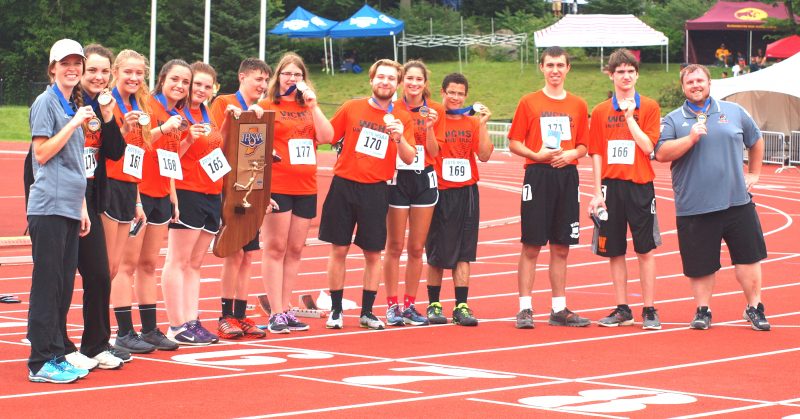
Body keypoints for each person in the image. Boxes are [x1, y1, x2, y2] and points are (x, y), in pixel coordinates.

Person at [656, 64, 770, 331]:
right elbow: (661, 153)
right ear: (683, 87)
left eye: (700, 80)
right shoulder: (673, 119)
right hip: (695, 205)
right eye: (690, 82)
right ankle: (703, 310)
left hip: (736, 202)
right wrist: (690, 138)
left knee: (748, 259)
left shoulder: (734, 112)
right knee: (700, 265)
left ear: (709, 82)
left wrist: (754, 173)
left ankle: (754, 307)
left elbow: (756, 140)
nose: (696, 85)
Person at [319, 59, 416, 330]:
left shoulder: (402, 117)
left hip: (376, 189)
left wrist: (399, 138)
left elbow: (409, 158)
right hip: (344, 185)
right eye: (380, 77)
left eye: (390, 79)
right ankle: (336, 310)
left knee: (373, 253)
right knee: (338, 248)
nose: (384, 82)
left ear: (397, 85)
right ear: (371, 80)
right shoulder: (351, 108)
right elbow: (326, 136)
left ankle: (367, 312)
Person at [507, 46, 591, 329]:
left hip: (567, 176)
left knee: (562, 246)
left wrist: (572, 154)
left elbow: (583, 144)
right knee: (531, 245)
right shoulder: (529, 102)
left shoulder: (578, 105)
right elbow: (514, 142)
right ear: (541, 68)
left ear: (568, 69)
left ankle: (558, 308)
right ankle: (525, 308)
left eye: (560, 65)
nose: (555, 70)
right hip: (538, 175)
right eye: (550, 65)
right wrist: (536, 155)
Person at [26, 39, 92, 383]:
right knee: (47, 284)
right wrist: (73, 125)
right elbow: (41, 153)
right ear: (52, 68)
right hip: (48, 206)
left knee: (64, 286)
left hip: (67, 206)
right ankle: (39, 361)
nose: (72, 68)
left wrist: (81, 207)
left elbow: (75, 163)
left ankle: (56, 351)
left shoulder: (70, 104)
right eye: (64, 63)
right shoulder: (46, 103)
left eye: (76, 63)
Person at [118, 59, 194, 348]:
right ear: (163, 79)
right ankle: (125, 332)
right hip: (140, 192)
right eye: (175, 79)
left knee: (148, 264)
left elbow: (170, 158)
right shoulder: (147, 105)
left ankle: (150, 329)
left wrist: (173, 194)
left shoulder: (177, 112)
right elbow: (138, 146)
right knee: (127, 264)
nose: (180, 85)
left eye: (185, 82)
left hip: (162, 194)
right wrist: (135, 196)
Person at [587, 49, 662, 330]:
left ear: (637, 75)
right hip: (610, 188)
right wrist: (597, 192)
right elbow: (595, 153)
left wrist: (631, 118)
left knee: (645, 250)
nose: (626, 76)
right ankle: (622, 308)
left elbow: (648, 147)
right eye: (620, 72)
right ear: (611, 75)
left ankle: (649, 309)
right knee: (615, 251)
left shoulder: (650, 107)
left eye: (630, 71)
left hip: (640, 187)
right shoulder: (600, 110)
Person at [258, 53, 333, 334]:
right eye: (288, 74)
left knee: (295, 249)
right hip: (278, 185)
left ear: (304, 79)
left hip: (306, 186)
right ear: (279, 76)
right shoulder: (267, 106)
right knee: (275, 248)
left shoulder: (308, 107)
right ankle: (275, 311)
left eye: (298, 75)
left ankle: (286, 307)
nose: (292, 79)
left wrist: (313, 106)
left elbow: (327, 137)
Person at [64, 44, 129, 369]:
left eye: (105, 71)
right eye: (93, 71)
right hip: (65, 199)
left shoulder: (105, 105)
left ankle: (96, 344)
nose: (99, 77)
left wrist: (108, 117)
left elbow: (116, 152)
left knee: (99, 274)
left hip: (92, 197)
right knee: (61, 276)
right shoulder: (69, 102)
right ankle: (59, 345)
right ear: (81, 72)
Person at [425, 73, 493, 326]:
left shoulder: (472, 123)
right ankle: (434, 304)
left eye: (460, 93)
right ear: (442, 92)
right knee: (436, 251)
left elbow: (484, 155)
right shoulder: (435, 119)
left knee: (464, 252)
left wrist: (483, 123)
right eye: (451, 92)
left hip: (466, 192)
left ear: (466, 96)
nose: (455, 97)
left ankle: (461, 306)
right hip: (439, 192)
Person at [209, 57, 271, 336]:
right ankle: (225, 315)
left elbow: (261, 156)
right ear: (242, 77)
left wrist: (263, 194)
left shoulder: (263, 109)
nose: (263, 85)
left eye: (266, 80)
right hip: (228, 188)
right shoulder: (223, 103)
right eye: (258, 79)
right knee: (233, 253)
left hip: (251, 189)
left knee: (248, 256)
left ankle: (242, 314)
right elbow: (213, 143)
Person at [105, 49, 160, 354]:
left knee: (114, 266)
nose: (134, 78)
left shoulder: (137, 105)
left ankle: (120, 334)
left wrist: (137, 199)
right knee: (108, 266)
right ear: (116, 72)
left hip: (128, 188)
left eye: (139, 73)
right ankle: (113, 334)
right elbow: (107, 150)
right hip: (109, 187)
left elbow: (134, 158)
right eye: (128, 72)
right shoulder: (109, 104)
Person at [384, 60, 445, 327]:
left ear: (425, 83)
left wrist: (430, 127)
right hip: (397, 178)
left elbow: (434, 152)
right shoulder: (391, 108)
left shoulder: (435, 110)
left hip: (424, 179)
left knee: (416, 247)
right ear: (401, 81)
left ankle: (409, 305)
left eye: (418, 79)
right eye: (409, 78)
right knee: (394, 246)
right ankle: (391, 305)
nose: (413, 83)